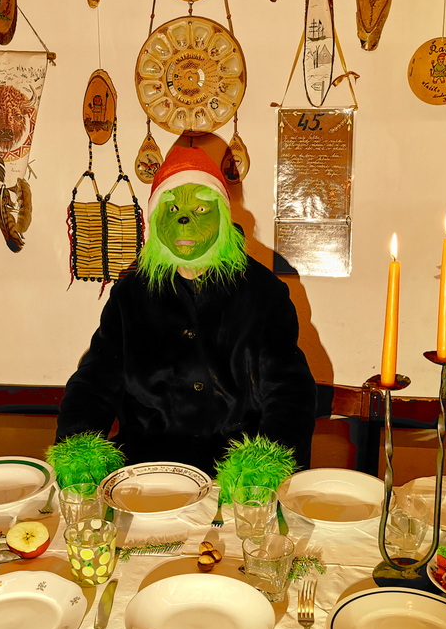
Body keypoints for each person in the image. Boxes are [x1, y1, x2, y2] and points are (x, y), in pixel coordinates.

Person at [53, 145, 316, 476]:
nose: (184, 219)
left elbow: (289, 391)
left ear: (222, 215)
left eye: (201, 208)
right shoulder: (130, 294)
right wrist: (77, 447)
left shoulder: (262, 292)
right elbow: (95, 382)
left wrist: (266, 465)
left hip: (232, 477)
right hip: (144, 471)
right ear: (156, 217)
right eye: (173, 207)